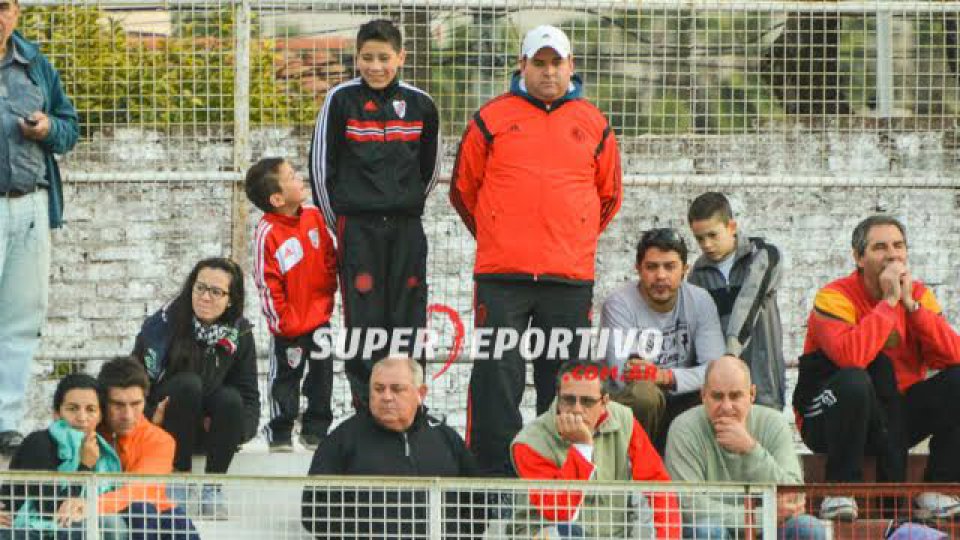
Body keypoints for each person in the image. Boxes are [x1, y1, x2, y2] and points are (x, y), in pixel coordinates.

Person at [450, 24, 623, 476]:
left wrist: (572, 236)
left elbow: (608, 198)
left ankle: (557, 475)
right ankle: (491, 481)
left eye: (556, 63)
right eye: (539, 63)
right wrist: (496, 234)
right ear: (522, 66)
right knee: (495, 381)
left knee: (565, 383)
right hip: (501, 277)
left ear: (572, 67)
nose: (549, 72)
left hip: (568, 279)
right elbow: (464, 190)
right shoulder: (490, 118)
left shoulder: (594, 123)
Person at [792, 215, 960, 521]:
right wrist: (889, 302)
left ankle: (939, 488)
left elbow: (953, 356)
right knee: (856, 379)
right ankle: (840, 489)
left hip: (894, 416)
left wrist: (912, 307)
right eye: (880, 247)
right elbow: (851, 358)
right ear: (858, 258)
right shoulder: (834, 296)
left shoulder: (919, 295)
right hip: (830, 413)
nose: (893, 255)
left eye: (898, 246)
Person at [309, 19, 440, 406]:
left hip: (405, 227)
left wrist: (404, 201)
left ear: (401, 57)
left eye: (384, 57)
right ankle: (366, 406)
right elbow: (321, 169)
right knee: (363, 321)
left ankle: (411, 402)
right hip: (358, 229)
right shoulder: (340, 100)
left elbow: (430, 171)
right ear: (357, 58)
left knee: (409, 318)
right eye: (368, 58)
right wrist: (342, 224)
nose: (376, 66)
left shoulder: (421, 105)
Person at [0, 0, 80, 455]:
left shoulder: (35, 65)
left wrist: (48, 127)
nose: (0, 14)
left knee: (21, 318)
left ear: (16, 12)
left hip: (30, 204)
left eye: (6, 6)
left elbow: (71, 127)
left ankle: (5, 421)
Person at [132, 257, 260, 518]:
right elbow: (135, 381)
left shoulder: (240, 332)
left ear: (231, 299)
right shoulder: (164, 325)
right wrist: (148, 415)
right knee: (189, 384)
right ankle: (179, 479)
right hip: (167, 423)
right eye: (199, 288)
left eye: (216, 292)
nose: (205, 297)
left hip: (211, 430)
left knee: (231, 399)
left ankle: (213, 487)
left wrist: (238, 430)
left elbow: (248, 394)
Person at [301, 356, 482, 538]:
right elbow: (315, 511)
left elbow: (479, 507)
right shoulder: (342, 439)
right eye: (378, 389)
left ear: (421, 393)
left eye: (397, 389)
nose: (386, 397)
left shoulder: (446, 439)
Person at [509, 361, 680, 539]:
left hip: (612, 535)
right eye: (568, 400)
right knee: (565, 532)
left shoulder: (624, 420)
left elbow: (657, 487)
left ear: (605, 402)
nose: (576, 409)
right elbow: (561, 513)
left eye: (587, 402)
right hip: (549, 533)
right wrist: (582, 447)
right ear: (558, 397)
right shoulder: (529, 442)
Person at [665, 356, 826, 540]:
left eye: (735, 396)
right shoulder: (684, 429)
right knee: (706, 530)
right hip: (720, 530)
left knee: (808, 528)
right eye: (717, 396)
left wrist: (750, 449)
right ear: (703, 396)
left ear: (752, 395)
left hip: (770, 531)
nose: (726, 407)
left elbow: (794, 496)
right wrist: (760, 517)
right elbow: (689, 506)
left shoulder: (773, 423)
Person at [600, 228, 724, 451]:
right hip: (635, 406)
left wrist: (665, 376)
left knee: (717, 393)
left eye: (670, 266)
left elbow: (716, 371)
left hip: (681, 397)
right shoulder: (619, 304)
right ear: (638, 269)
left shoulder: (700, 300)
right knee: (644, 395)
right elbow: (619, 376)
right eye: (652, 267)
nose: (660, 276)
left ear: (685, 270)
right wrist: (655, 380)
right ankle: (634, 468)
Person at [246, 158, 337, 452]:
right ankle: (280, 432)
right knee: (284, 379)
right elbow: (266, 281)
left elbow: (328, 255)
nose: (300, 179)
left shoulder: (313, 216)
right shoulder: (267, 232)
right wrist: (282, 322)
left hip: (320, 318)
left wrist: (328, 291)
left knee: (322, 377)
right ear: (277, 198)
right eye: (292, 176)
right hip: (288, 327)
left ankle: (315, 431)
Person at [686, 192, 786, 410]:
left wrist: (729, 356)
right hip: (721, 391)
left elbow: (749, 303)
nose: (706, 244)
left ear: (732, 226)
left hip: (763, 380)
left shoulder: (765, 256)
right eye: (699, 238)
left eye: (713, 235)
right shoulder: (698, 275)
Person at [0, 374, 127, 539]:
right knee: (109, 525)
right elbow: (49, 507)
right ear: (57, 414)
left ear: (100, 416)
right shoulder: (39, 442)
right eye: (72, 408)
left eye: (90, 409)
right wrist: (84, 466)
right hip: (25, 529)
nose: (82, 418)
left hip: (71, 527)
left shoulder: (103, 451)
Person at [96, 357, 198, 539]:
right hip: (111, 515)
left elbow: (139, 490)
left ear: (145, 400)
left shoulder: (160, 441)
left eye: (135, 404)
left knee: (174, 522)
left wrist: (89, 506)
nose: (127, 415)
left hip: (147, 516)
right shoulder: (89, 431)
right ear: (103, 403)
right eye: (118, 405)